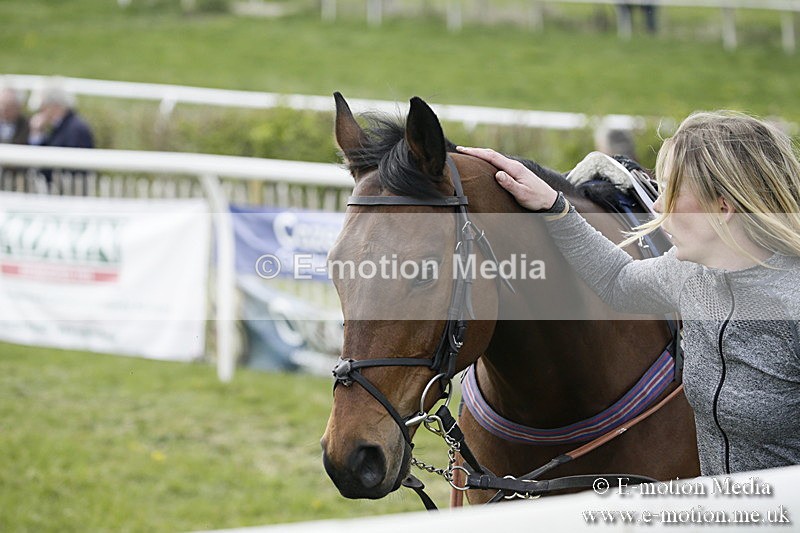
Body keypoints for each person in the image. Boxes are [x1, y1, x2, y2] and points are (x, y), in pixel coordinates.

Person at [458, 110, 800, 476]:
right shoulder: (688, 274)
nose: (655, 206)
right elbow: (618, 281)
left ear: (723, 207)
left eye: (670, 192)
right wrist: (555, 206)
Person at [28, 86, 94, 149]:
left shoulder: (75, 129)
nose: (41, 111)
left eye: (43, 107)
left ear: (54, 106)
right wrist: (37, 133)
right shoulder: (63, 125)